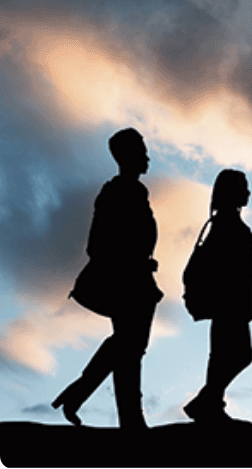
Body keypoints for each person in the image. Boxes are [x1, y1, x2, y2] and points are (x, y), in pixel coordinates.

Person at [54, 127, 163, 429]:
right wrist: (129, 262)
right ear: (126, 155)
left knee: (129, 346)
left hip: (139, 279)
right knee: (129, 348)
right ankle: (130, 418)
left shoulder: (138, 192)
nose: (147, 157)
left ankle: (80, 395)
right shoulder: (114, 192)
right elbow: (96, 245)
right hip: (125, 282)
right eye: (141, 150)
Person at [183, 169, 252, 423]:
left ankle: (210, 402)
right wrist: (246, 267)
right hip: (228, 299)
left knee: (223, 355)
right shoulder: (225, 223)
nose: (248, 192)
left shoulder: (226, 221)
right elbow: (223, 262)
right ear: (232, 191)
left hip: (234, 298)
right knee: (237, 355)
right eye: (243, 187)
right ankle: (208, 401)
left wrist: (251, 267)